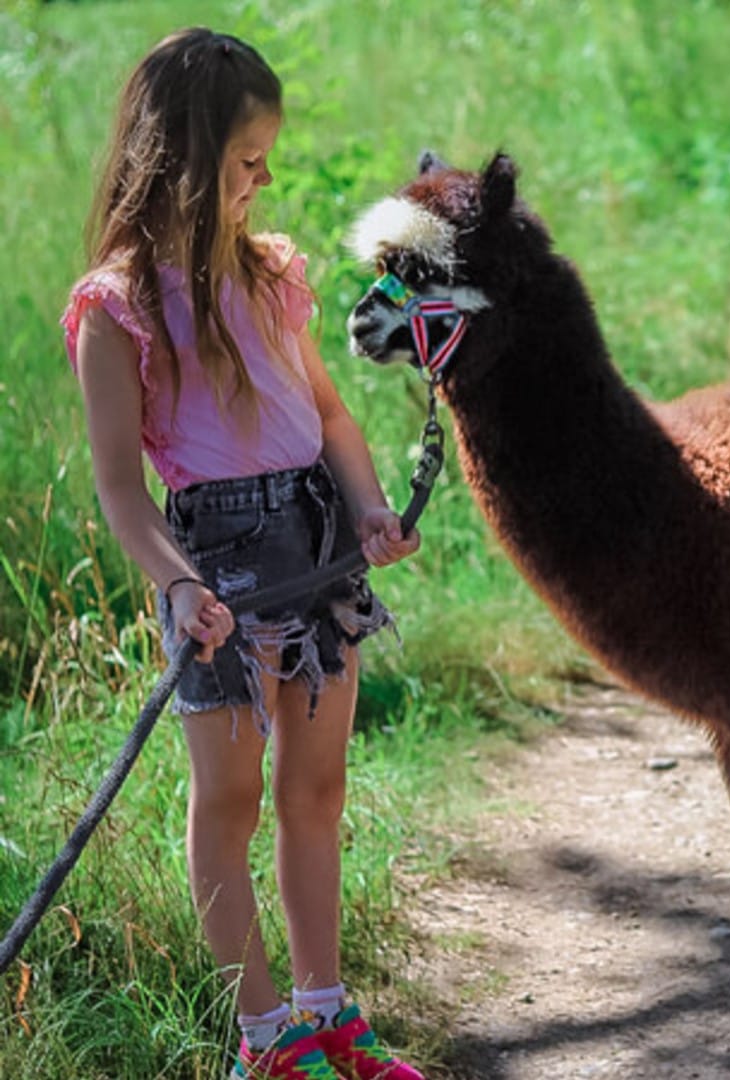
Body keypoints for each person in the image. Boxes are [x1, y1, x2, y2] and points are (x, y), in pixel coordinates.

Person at [62, 28, 423, 1080]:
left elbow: (332, 418)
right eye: (246, 161)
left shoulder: (272, 274)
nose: (264, 180)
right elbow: (125, 494)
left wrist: (366, 513)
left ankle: (327, 1019)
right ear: (180, 158)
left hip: (315, 540)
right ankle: (264, 1043)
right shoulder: (118, 309)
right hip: (213, 558)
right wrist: (178, 588)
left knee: (316, 793)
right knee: (227, 802)